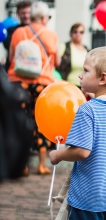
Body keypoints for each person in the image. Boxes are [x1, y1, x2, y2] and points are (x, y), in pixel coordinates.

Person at [49, 45, 106, 219]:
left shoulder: (87, 110)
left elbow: (81, 152)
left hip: (87, 199)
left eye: (85, 70)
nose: (80, 75)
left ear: (102, 78)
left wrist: (58, 155)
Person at [7, 1, 60, 175]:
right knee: (41, 122)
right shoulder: (51, 34)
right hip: (42, 82)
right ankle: (42, 164)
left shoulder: (19, 32)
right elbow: (57, 62)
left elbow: (12, 57)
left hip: (19, 82)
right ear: (44, 17)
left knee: (21, 121)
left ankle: (22, 165)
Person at [3, 0, 32, 71]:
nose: (26, 16)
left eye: (29, 13)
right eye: (23, 13)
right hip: (14, 70)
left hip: (34, 70)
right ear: (18, 14)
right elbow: (7, 45)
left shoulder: (39, 31)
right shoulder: (11, 30)